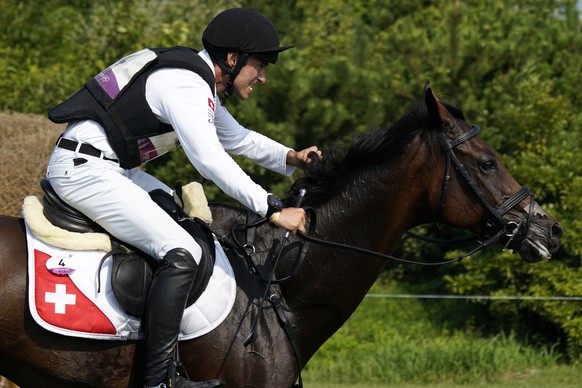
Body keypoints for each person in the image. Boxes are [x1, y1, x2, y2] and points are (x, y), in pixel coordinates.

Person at [46, 7, 321, 388]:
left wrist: (291, 157)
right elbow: (210, 159)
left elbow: (238, 138)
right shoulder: (186, 84)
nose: (263, 77)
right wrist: (273, 209)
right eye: (260, 65)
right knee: (183, 253)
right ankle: (158, 382)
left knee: (186, 225)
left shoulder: (196, 83)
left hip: (106, 168)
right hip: (85, 171)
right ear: (232, 58)